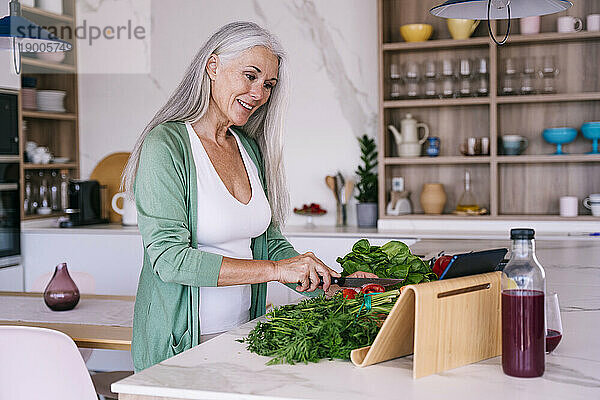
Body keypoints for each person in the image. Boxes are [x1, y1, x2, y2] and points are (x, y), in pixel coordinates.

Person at [122, 21, 374, 371]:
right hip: (180, 348)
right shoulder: (166, 145)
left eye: (268, 84)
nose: (259, 93)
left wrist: (324, 281)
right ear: (212, 66)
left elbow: (268, 242)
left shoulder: (249, 149)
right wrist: (275, 271)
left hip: (242, 337)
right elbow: (169, 259)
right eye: (250, 76)